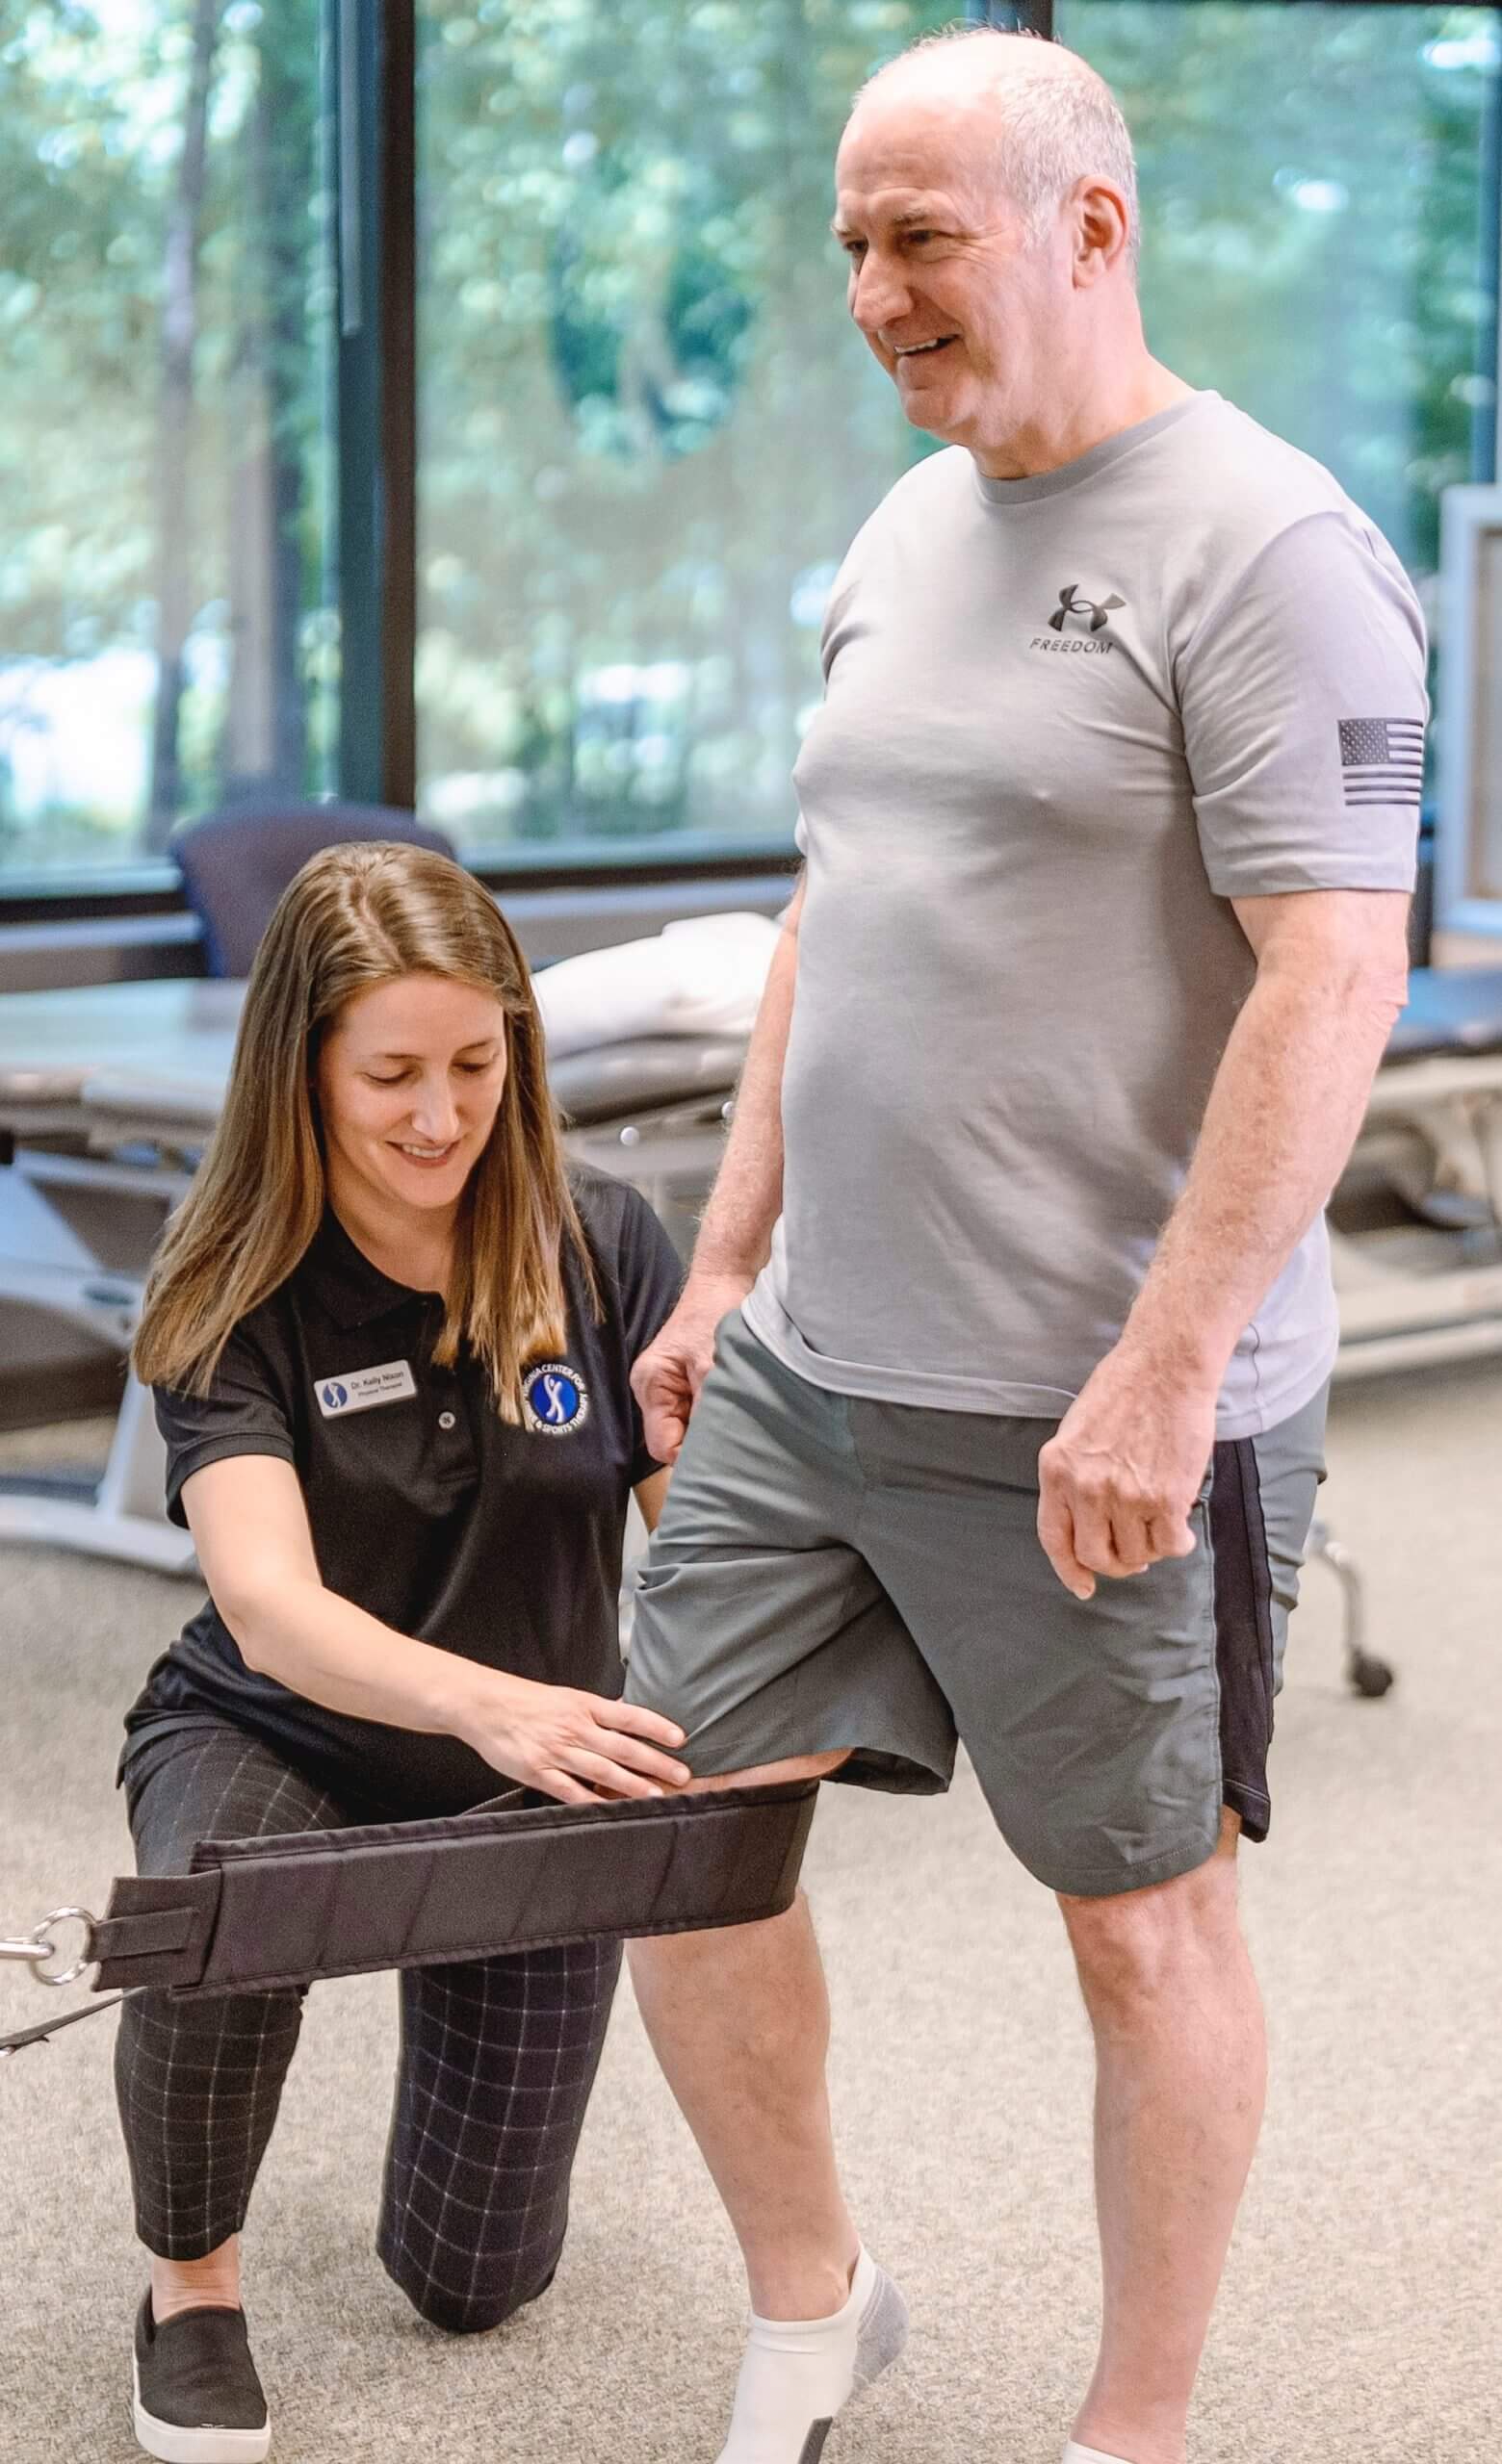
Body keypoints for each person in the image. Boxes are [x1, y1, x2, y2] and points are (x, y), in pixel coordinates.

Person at [620, 29, 1424, 2464]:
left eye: (919, 235)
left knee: (1136, 1918)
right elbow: (829, 913)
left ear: (1090, 225)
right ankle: (810, 2300)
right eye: (851, 240)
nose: (870, 289)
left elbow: (1334, 967)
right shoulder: (896, 526)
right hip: (811, 1365)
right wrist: (729, 1260)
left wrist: (1170, 1366)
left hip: (1103, 1409)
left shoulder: (1273, 548)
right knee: (682, 1843)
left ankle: (1137, 2423)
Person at [117, 842, 690, 2462]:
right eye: (390, 1075)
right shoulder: (232, 1286)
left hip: (533, 1773)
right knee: (223, 1907)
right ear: (303, 1069)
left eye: (474, 1063)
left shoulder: (602, 1244)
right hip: (280, 1728)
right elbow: (269, 1606)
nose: (440, 1117)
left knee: (472, 2285)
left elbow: (700, 1543)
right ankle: (188, 2291)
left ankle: (451, 2215)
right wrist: (497, 1709)